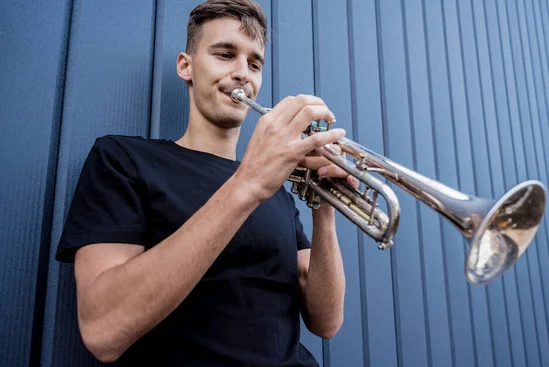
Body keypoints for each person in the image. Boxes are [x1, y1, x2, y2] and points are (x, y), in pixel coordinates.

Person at [56, 0, 356, 365]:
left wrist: (324, 206)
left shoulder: (275, 192)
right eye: (225, 54)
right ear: (187, 66)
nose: (243, 72)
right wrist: (248, 183)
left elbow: (326, 321)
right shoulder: (124, 159)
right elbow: (102, 329)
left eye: (254, 63)